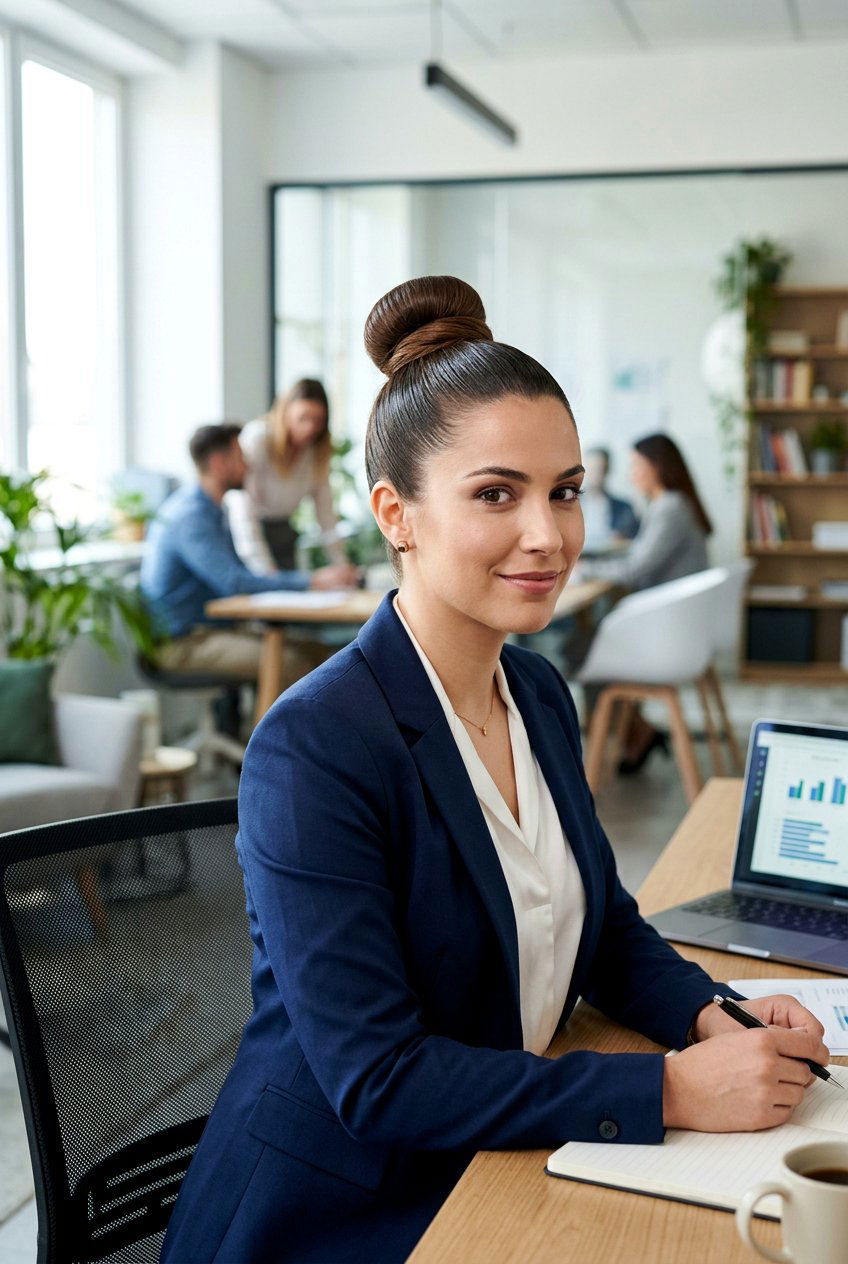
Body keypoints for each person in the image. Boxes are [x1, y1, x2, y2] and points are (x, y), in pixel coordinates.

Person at [161, 278, 828, 1264]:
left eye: (561, 490)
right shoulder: (315, 748)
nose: (546, 535)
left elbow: (598, 925)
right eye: (494, 494)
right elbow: (379, 1079)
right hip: (346, 1204)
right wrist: (673, 1089)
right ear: (396, 514)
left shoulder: (537, 692)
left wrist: (706, 1012)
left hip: (499, 1147)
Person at [140, 422, 357, 680]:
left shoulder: (211, 510)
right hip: (182, 642)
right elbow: (234, 582)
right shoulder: (191, 517)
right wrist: (313, 580)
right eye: (241, 457)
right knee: (289, 663)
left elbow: (235, 578)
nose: (248, 465)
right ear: (219, 463)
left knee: (320, 652)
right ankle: (267, 723)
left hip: (212, 631)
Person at [578, 433, 712, 769]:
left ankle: (631, 739)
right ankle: (640, 734)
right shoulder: (673, 504)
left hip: (671, 636)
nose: (631, 474)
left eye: (636, 465)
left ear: (657, 466)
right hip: (681, 630)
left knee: (584, 653)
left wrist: (582, 570)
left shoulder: (670, 508)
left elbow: (637, 569)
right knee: (590, 644)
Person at [227, 379, 348, 574]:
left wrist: (341, 565)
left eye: (317, 420)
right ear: (285, 413)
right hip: (247, 537)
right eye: (303, 418)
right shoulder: (257, 439)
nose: (310, 428)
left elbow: (326, 512)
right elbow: (243, 511)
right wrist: (265, 571)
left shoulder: (315, 452)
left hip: (283, 534)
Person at [581, 445, 639, 550]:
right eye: (592, 469)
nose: (597, 474)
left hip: (613, 559)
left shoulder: (624, 508)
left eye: (601, 469)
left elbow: (637, 543)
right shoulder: (569, 504)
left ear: (608, 470)